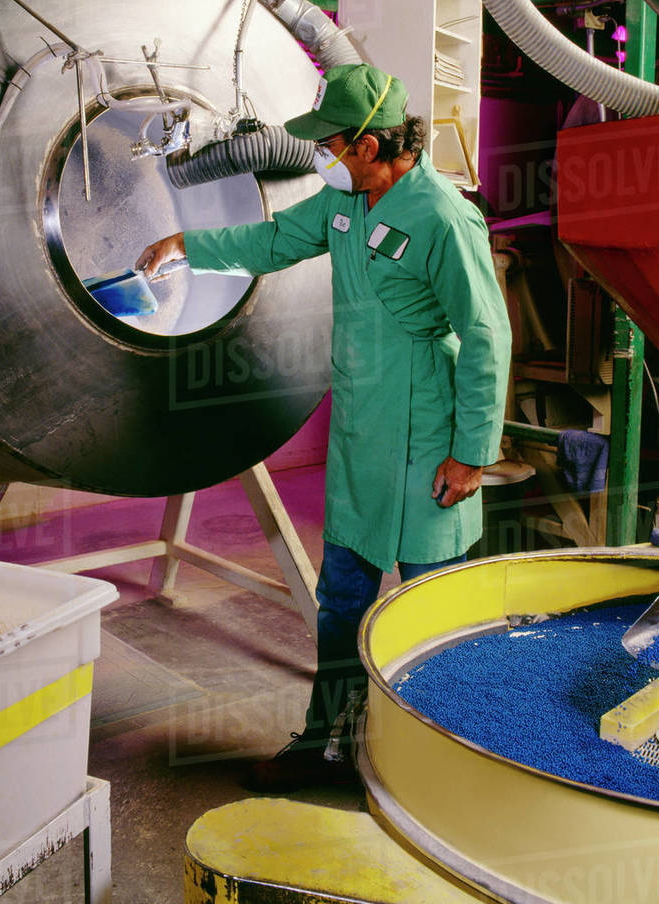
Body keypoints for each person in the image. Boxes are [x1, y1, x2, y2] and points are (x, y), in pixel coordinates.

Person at [137, 62, 512, 792]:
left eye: (331, 145)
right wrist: (188, 244)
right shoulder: (342, 206)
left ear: (370, 146)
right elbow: (275, 239)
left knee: (429, 611)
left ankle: (437, 759)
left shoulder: (442, 216)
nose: (320, 158)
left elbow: (485, 337)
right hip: (360, 435)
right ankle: (321, 745)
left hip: (427, 440)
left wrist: (471, 456)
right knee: (342, 600)